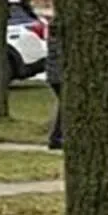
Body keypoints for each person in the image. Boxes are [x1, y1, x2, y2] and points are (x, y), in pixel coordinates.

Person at [46, 17, 63, 150]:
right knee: (64, 105)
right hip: (58, 76)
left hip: (54, 75)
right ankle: (56, 137)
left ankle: (56, 136)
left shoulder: (53, 40)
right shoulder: (57, 43)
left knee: (62, 105)